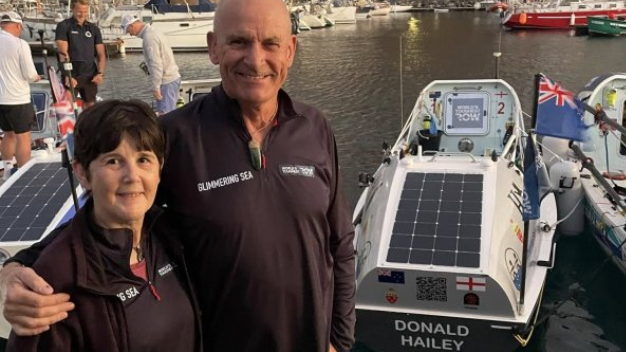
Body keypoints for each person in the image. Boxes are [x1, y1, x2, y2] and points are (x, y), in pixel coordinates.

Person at [0, 0, 356, 351]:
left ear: (291, 50)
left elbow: (340, 243)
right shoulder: (175, 136)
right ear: (213, 47)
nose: (255, 59)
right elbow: (103, 215)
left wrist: (340, 338)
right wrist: (18, 266)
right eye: (239, 42)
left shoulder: (315, 128)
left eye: (270, 44)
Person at [5, 100, 201, 352]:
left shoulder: (171, 235)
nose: (132, 176)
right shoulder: (56, 278)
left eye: (143, 159)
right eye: (113, 161)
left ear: (159, 168)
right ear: (83, 173)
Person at [0, 11, 41, 180]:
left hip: (0, 99)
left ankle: (7, 169)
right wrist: (37, 77)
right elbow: (30, 74)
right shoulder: (20, 44)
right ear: (17, 26)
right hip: (17, 98)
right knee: (23, 136)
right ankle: (24, 176)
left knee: (7, 134)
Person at [121, 15, 181, 115]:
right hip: (172, 79)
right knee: (170, 113)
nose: (130, 34)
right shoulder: (153, 31)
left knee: (166, 116)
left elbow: (156, 64)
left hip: (166, 82)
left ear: (131, 26)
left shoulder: (149, 38)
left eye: (128, 31)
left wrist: (156, 87)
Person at [55, 0, 106, 110]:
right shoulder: (63, 26)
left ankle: (87, 127)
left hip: (90, 76)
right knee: (68, 108)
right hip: (72, 75)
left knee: (91, 109)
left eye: (85, 11)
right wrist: (68, 75)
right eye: (79, 11)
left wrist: (100, 73)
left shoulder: (94, 29)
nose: (82, 14)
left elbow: (101, 54)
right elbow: (63, 54)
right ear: (73, 9)